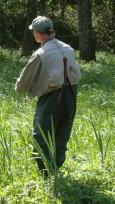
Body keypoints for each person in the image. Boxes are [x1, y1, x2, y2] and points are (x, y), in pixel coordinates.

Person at [15, 16, 81, 174]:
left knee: (41, 135)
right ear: (52, 31)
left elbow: (23, 81)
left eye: (34, 32)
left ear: (37, 33)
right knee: (62, 132)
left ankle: (46, 172)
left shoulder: (41, 53)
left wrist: (18, 87)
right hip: (71, 95)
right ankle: (56, 168)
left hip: (51, 97)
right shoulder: (68, 48)